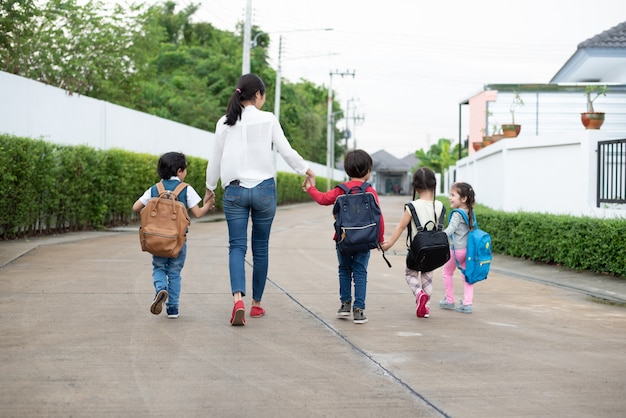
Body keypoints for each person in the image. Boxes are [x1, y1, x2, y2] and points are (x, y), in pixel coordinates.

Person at [204, 73, 315, 326]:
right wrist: (305, 170)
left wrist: (210, 188)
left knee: (236, 246)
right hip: (264, 190)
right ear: (257, 95)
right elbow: (285, 150)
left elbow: (215, 159)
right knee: (261, 247)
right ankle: (256, 305)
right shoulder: (268, 119)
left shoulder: (224, 122)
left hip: (234, 191)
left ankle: (237, 301)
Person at [303, 149, 384, 324]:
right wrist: (380, 239)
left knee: (344, 270)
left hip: (343, 238)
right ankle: (359, 310)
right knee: (360, 272)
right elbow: (379, 217)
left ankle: (345, 305)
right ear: (368, 171)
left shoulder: (340, 190)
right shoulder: (370, 191)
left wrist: (310, 188)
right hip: (365, 239)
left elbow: (323, 199)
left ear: (347, 170)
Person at [133, 151, 213, 319]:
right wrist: (208, 205)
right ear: (179, 171)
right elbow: (197, 213)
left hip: (156, 240)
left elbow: (136, 207)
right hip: (177, 241)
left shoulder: (155, 189)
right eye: (185, 170)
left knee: (159, 267)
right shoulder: (186, 189)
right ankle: (173, 309)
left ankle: (161, 288)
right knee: (175, 273)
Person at [381, 168, 444, 318]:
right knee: (427, 277)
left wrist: (389, 244)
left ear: (415, 187)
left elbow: (401, 227)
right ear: (434, 185)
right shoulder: (440, 206)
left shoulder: (412, 206)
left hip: (417, 250)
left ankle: (418, 293)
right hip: (433, 250)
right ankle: (426, 308)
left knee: (410, 274)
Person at [440, 181, 475, 314]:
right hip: (468, 250)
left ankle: (449, 300)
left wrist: (439, 235)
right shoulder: (470, 212)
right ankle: (467, 303)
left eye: (453, 195)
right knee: (467, 276)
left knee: (447, 272)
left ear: (464, 198)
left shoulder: (457, 213)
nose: (450, 197)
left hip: (456, 251)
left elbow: (451, 228)